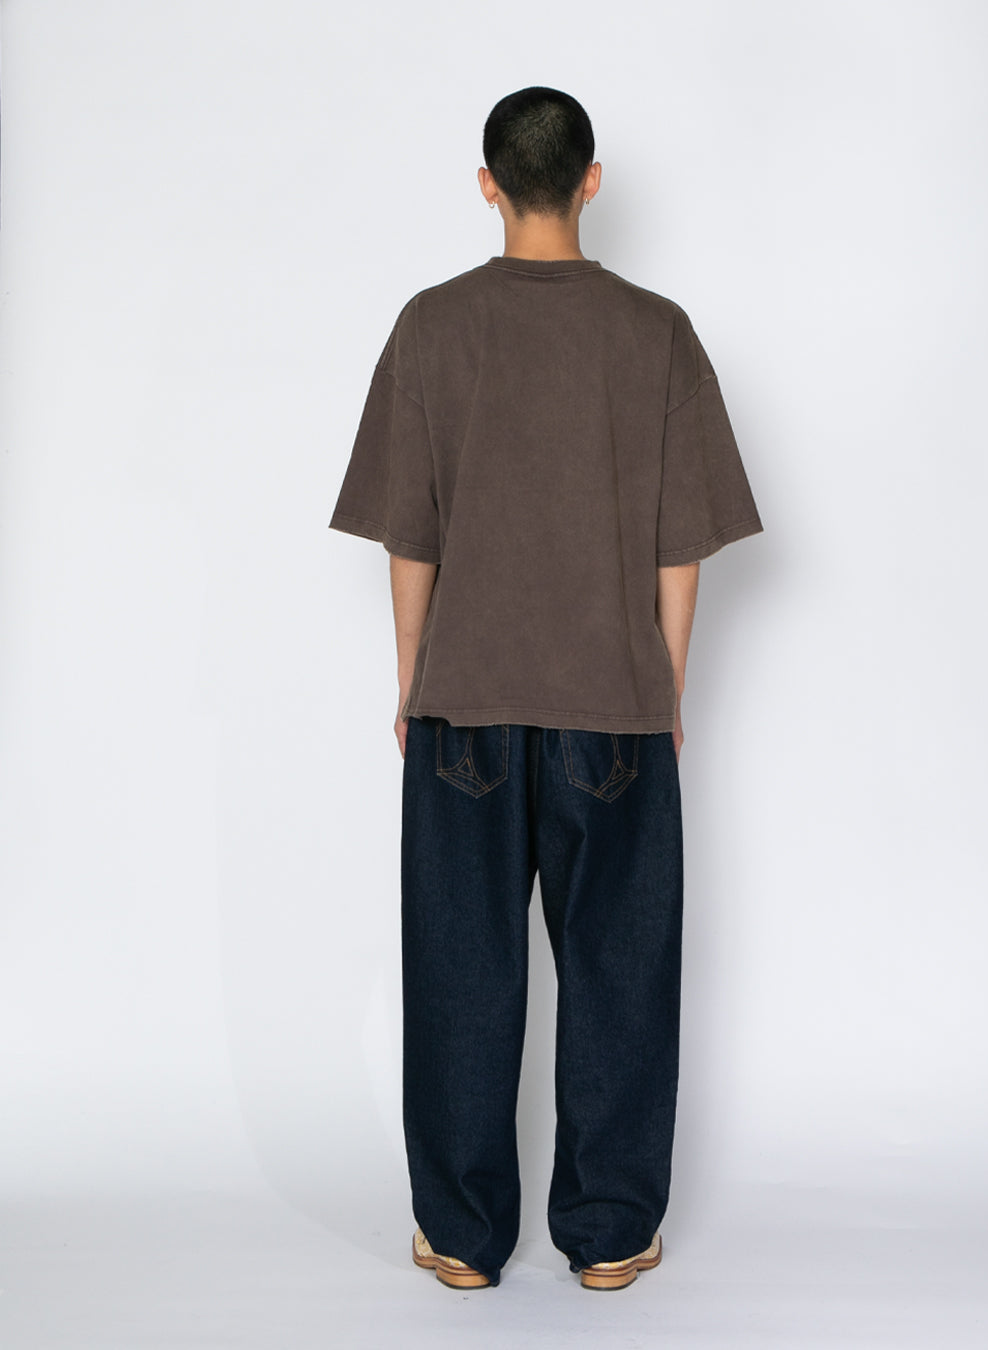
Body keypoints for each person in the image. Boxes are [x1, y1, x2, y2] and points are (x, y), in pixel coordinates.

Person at [328, 86, 762, 1291]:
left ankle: (463, 1237)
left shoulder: (431, 328)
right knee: (621, 968)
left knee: (459, 970)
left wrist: (414, 682)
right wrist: (665, 688)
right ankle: (612, 1232)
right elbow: (681, 548)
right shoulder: (656, 333)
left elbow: (409, 539)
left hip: (462, 704)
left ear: (487, 185)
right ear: (591, 180)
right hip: (611, 706)